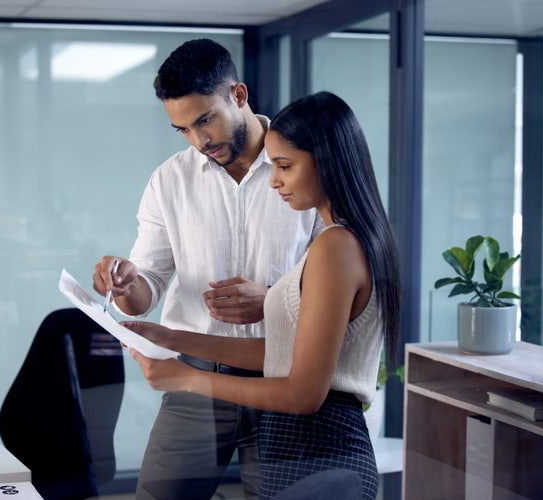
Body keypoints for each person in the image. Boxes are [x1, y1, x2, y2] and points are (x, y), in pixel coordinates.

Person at [125, 91, 402, 500]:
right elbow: (284, 352)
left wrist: (185, 377)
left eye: (285, 166)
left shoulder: (335, 247)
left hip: (318, 450)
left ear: (327, 160)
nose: (274, 180)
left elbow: (302, 393)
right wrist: (174, 339)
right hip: (306, 448)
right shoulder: (351, 239)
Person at [91, 39, 324, 500]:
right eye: (183, 129)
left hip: (280, 374)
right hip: (193, 379)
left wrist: (273, 298)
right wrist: (125, 282)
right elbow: (149, 287)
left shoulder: (304, 167)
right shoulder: (168, 180)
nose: (200, 141)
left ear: (238, 95)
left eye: (205, 120)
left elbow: (337, 276)